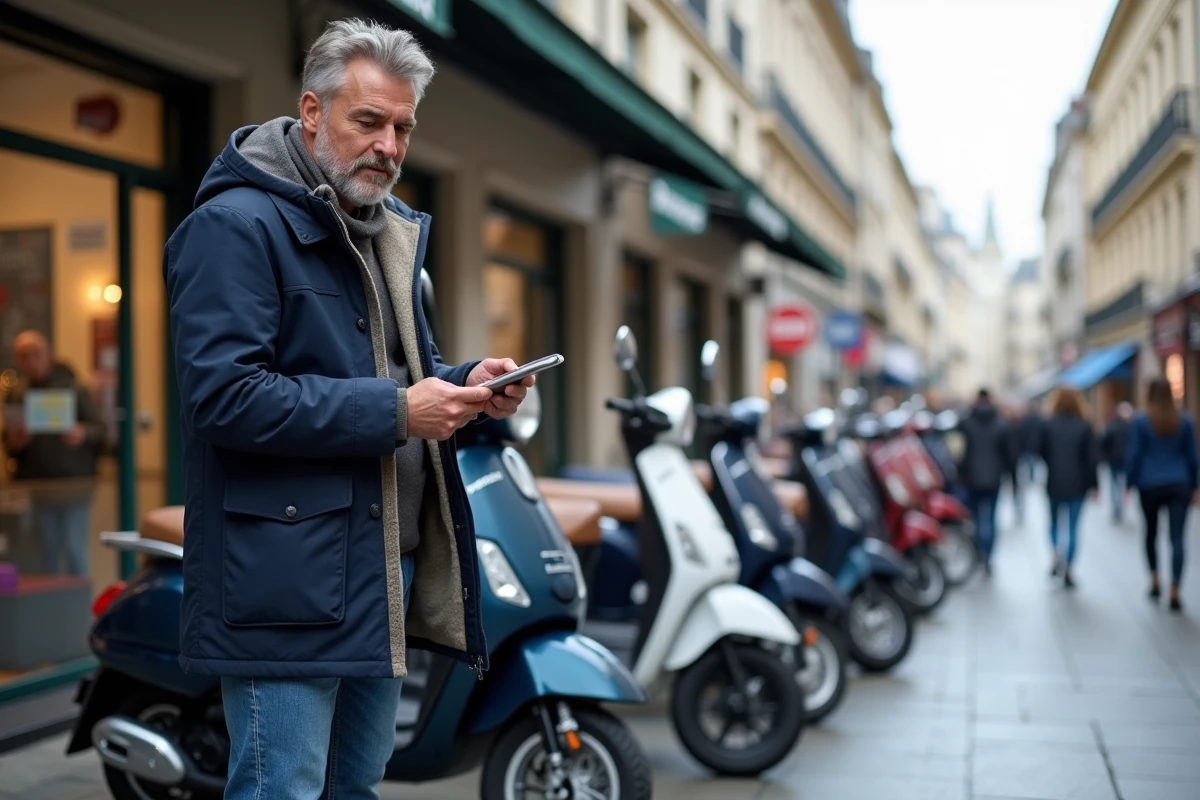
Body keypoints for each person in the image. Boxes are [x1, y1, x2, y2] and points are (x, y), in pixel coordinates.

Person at [162, 19, 536, 799]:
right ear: (311, 111)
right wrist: (399, 411)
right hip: (284, 582)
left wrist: (468, 383)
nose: (389, 147)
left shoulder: (379, 229)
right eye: (369, 121)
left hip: (380, 565)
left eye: (403, 128)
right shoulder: (233, 226)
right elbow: (223, 398)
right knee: (283, 789)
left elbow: (397, 374)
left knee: (355, 787)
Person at [1, 330, 104, 576]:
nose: (30, 361)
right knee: (45, 551)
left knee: (74, 549)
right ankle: (50, 599)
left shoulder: (75, 389)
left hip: (73, 485)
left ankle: (76, 600)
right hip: (37, 486)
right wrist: (16, 441)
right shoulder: (17, 394)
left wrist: (82, 433)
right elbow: (8, 442)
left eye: (35, 353)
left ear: (48, 354)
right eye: (23, 356)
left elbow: (100, 430)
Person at [1125, 378, 1198, 612]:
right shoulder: (1184, 420)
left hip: (1150, 485)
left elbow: (1134, 455)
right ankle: (1175, 589)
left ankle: (1155, 579)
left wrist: (1128, 483)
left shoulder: (1141, 421)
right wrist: (1195, 485)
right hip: (1179, 483)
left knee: (1151, 534)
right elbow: (1192, 456)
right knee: (1177, 538)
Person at [1038, 387, 1098, 589]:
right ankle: (1069, 568)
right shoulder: (1084, 426)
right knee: (1072, 527)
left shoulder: (1048, 425)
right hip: (1078, 484)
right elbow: (1091, 459)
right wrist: (1095, 484)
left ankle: (1057, 553)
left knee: (1054, 523)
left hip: (1054, 481)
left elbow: (1040, 451)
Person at [957, 388, 1015, 573]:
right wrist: (1012, 479)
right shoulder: (1001, 424)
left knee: (975, 519)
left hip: (971, 479)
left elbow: (958, 451)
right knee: (990, 519)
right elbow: (1010, 455)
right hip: (994, 479)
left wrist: (960, 473)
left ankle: (979, 553)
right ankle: (988, 556)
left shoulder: (965, 422)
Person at [1101, 402, 1134, 523]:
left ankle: (1117, 507)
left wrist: (1106, 456)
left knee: (1114, 484)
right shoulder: (1132, 427)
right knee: (1122, 484)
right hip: (1125, 460)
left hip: (1114, 460)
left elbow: (1104, 443)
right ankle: (1120, 506)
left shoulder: (1112, 426)